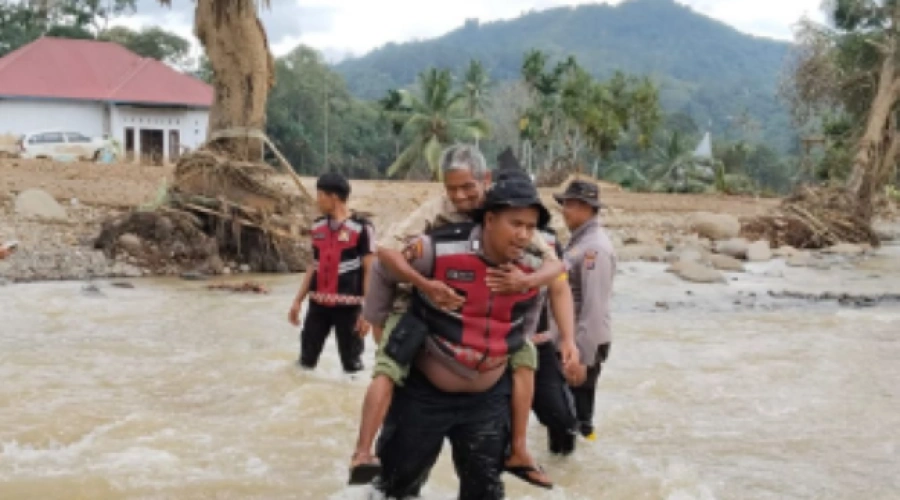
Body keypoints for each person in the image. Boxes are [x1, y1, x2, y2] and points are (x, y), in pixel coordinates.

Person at [348, 147, 577, 489]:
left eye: (468, 188)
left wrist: (533, 312)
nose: (459, 197)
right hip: (424, 320)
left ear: (486, 182)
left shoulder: (525, 247)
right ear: (489, 221)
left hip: (488, 371)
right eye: (451, 189)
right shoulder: (434, 234)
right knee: (390, 372)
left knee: (486, 483)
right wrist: (389, 313)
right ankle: (363, 452)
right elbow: (385, 257)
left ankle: (518, 450)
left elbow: (556, 272)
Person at [547, 179, 617, 455]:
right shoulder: (579, 241)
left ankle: (584, 466)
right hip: (570, 342)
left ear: (588, 208)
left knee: (579, 418)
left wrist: (583, 358)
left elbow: (594, 306)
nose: (565, 210)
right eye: (565, 203)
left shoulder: (594, 249)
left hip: (581, 344)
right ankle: (575, 466)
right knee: (566, 414)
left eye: (572, 205)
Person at [287, 172, 375, 374]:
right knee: (305, 363)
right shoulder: (317, 226)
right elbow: (313, 266)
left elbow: (370, 270)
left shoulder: (362, 228)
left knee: (352, 367)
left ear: (333, 197)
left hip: (349, 308)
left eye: (320, 195)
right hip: (317, 306)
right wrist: (298, 301)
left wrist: (367, 312)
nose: (317, 200)